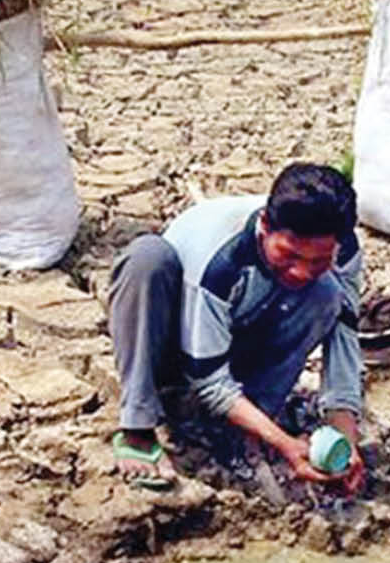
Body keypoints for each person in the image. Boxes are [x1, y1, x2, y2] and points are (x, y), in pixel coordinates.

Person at [108, 163, 366, 496]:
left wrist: (345, 439)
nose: (301, 271)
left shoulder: (342, 249)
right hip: (173, 341)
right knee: (147, 257)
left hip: (237, 332)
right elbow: (210, 380)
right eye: (288, 255)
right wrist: (286, 442)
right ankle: (137, 427)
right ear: (264, 226)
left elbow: (344, 342)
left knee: (327, 293)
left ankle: (249, 427)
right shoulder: (221, 256)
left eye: (317, 261)